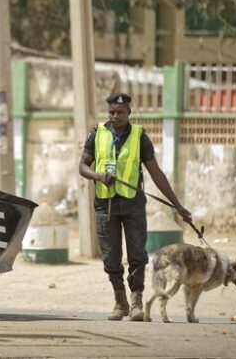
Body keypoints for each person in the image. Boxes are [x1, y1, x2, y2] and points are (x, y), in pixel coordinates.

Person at [78, 92, 191, 321]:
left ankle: (136, 302)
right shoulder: (96, 134)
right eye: (111, 112)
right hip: (105, 205)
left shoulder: (140, 137)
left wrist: (177, 205)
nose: (115, 116)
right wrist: (98, 176)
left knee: (137, 254)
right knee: (110, 256)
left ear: (129, 112)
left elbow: (156, 173)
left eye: (120, 112)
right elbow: (82, 166)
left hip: (133, 205)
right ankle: (120, 301)